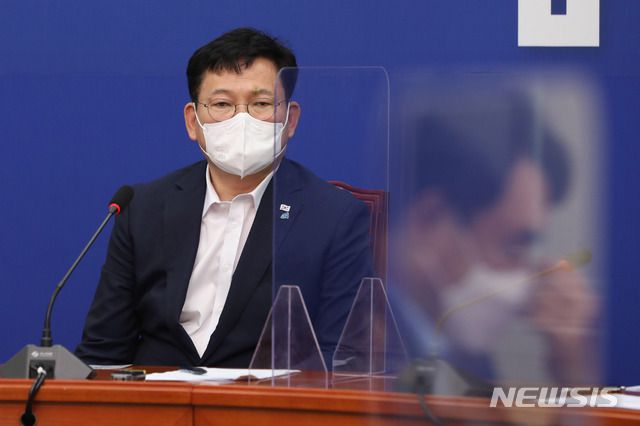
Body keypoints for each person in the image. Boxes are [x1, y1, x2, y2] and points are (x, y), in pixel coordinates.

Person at [75, 28, 373, 368]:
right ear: (193, 122)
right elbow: (103, 353)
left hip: (263, 397)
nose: (241, 119)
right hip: (156, 395)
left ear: (290, 120)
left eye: (261, 104)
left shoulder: (333, 218)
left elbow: (343, 359)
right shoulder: (143, 208)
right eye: (222, 104)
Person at [391, 91, 598, 386]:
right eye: (513, 246)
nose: (532, 278)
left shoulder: (462, 355)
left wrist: (573, 370)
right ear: (429, 219)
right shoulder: (361, 344)